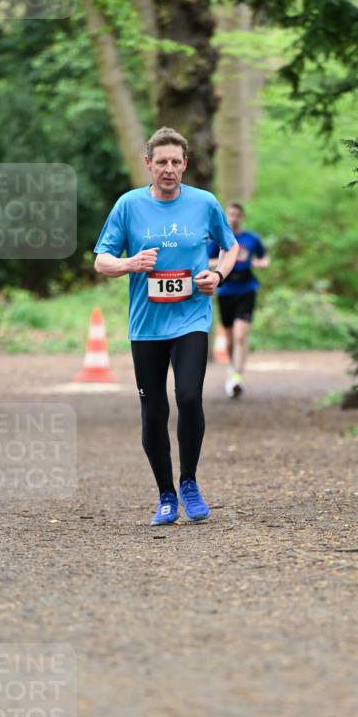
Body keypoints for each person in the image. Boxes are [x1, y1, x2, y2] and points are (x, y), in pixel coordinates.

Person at [93, 127, 239, 525]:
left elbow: (231, 246)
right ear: (148, 165)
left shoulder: (204, 203)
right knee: (154, 410)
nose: (169, 169)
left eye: (176, 162)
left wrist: (219, 276)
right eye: (161, 162)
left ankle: (189, 482)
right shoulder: (128, 205)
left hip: (191, 317)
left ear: (185, 164)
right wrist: (129, 264)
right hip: (147, 326)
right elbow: (101, 259)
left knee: (189, 397)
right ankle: (165, 494)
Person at [209, 201, 269, 397]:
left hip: (247, 289)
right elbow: (204, 260)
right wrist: (227, 259)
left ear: (242, 217)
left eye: (237, 215)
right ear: (225, 217)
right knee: (229, 339)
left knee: (240, 336)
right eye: (230, 214)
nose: (233, 218)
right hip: (225, 291)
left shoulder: (251, 239)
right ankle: (232, 367)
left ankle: (237, 377)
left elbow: (264, 257)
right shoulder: (217, 239)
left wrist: (260, 263)